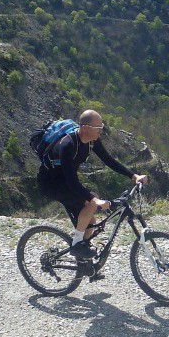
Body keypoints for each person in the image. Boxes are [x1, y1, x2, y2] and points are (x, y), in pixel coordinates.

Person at [37, 110, 148, 259]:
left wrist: (134, 176)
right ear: (84, 128)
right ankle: (77, 246)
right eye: (97, 128)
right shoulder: (67, 145)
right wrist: (94, 200)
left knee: (91, 220)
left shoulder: (92, 141)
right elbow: (70, 181)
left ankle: (84, 262)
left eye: (101, 127)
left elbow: (108, 160)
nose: (100, 132)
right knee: (91, 203)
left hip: (67, 181)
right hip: (51, 184)